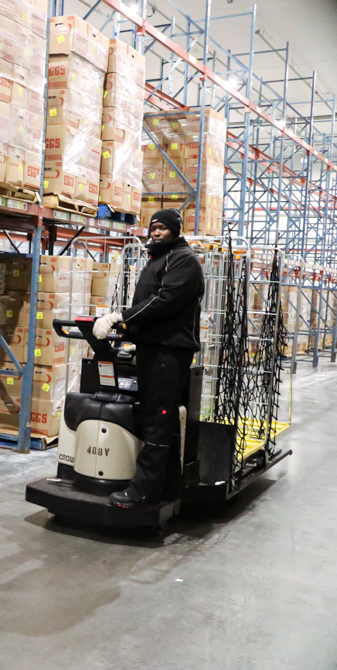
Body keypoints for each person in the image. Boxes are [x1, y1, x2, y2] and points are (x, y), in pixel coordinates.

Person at [92, 208, 204, 508]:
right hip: (152, 348)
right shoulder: (160, 259)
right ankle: (168, 486)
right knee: (156, 416)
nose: (156, 232)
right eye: (153, 227)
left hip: (169, 352)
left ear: (176, 230)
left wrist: (120, 317)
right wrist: (130, 332)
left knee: (158, 419)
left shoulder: (184, 260)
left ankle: (142, 492)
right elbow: (148, 302)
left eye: (163, 228)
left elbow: (164, 302)